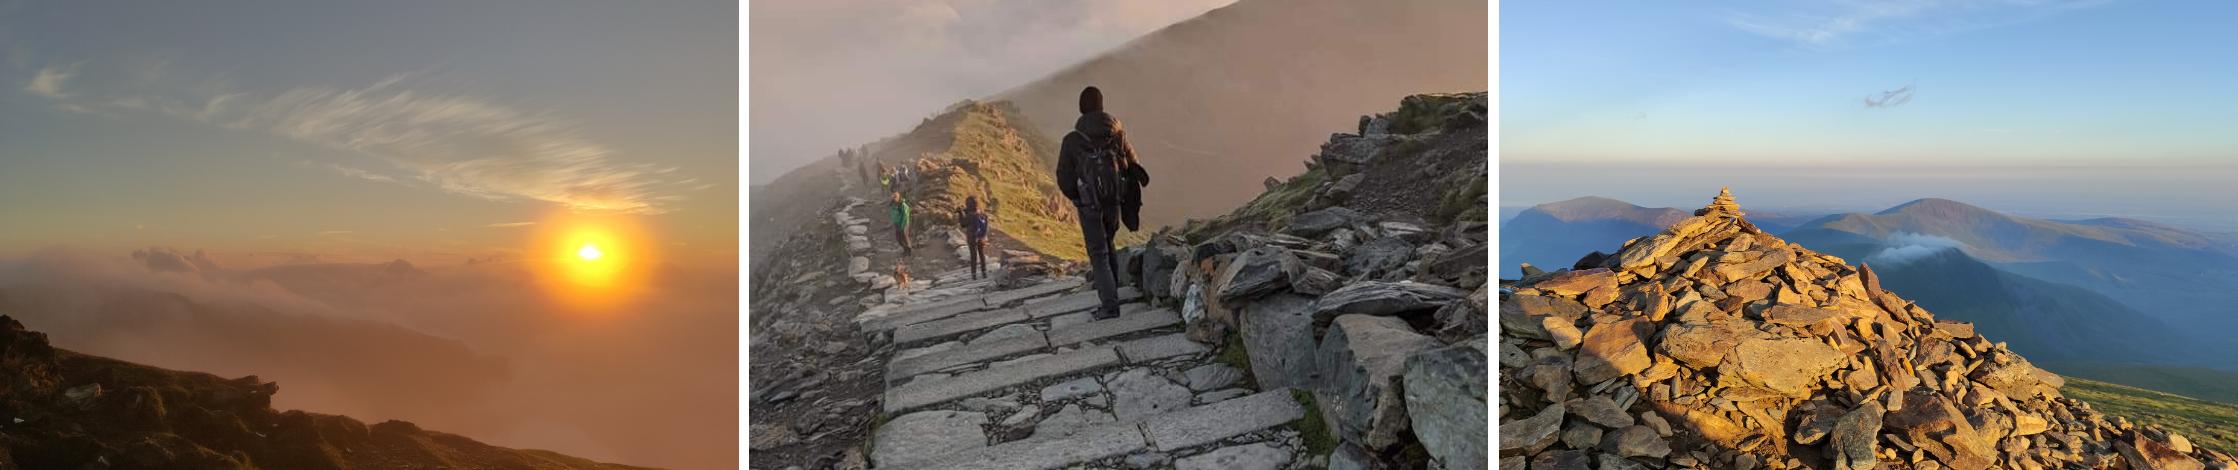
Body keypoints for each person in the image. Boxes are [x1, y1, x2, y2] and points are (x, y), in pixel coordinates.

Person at [1055, 86, 1150, 320]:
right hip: (1114, 201)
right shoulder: (1118, 135)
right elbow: (1133, 165)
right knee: (1109, 243)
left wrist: (1079, 198)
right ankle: (1113, 292)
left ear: (1081, 108)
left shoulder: (1072, 140)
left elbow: (1064, 177)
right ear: (1101, 106)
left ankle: (1109, 306)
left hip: (1089, 204)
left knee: (1098, 253)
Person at [961, 196, 991, 280]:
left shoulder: (970, 216)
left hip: (972, 238)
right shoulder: (982, 214)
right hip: (982, 237)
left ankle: (974, 275)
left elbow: (963, 224)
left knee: (973, 256)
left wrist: (960, 214)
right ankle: (984, 272)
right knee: (982, 255)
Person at [889, 191, 914, 256]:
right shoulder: (894, 204)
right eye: (894, 197)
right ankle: (905, 249)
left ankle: (909, 251)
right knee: (898, 238)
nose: (895, 198)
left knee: (905, 237)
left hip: (903, 223)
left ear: (899, 197)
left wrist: (902, 226)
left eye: (896, 197)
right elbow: (894, 213)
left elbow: (906, 216)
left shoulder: (903, 205)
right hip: (897, 224)